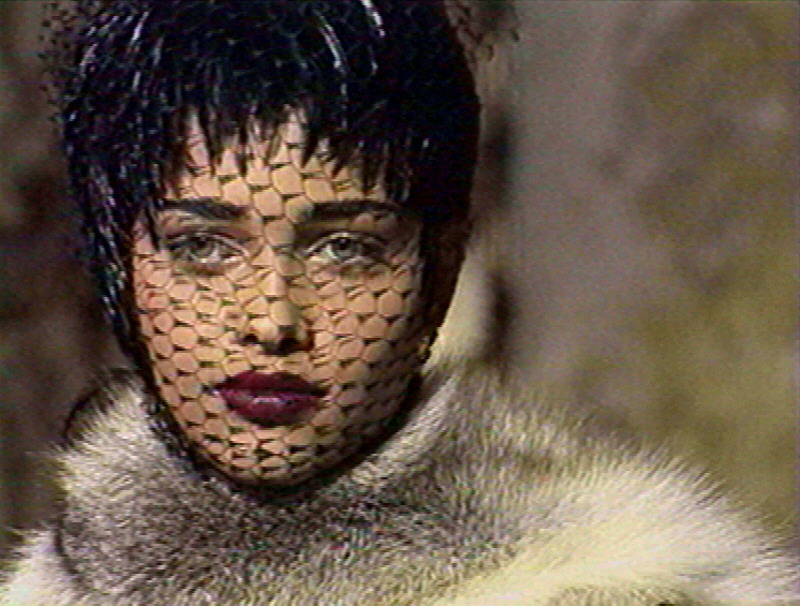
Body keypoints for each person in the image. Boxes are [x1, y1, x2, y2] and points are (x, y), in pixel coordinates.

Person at [1, 1, 798, 604]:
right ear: (120, 266)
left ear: (438, 269)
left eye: (345, 248)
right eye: (203, 247)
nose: (272, 320)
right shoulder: (50, 586)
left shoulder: (612, 584)